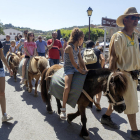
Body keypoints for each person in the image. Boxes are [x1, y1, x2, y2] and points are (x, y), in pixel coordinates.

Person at [100, 7, 140, 140]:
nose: (136, 20)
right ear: (125, 20)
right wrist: (113, 77)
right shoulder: (118, 36)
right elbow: (113, 57)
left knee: (118, 99)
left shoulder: (135, 35)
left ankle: (106, 117)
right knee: (131, 103)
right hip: (124, 75)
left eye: (137, 18)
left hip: (134, 75)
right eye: (133, 17)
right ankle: (135, 132)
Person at [60, 28, 88, 120]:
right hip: (69, 69)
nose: (83, 41)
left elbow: (81, 60)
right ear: (80, 38)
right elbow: (73, 62)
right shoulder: (69, 47)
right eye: (83, 39)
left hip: (76, 68)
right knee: (67, 87)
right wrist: (81, 70)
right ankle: (63, 109)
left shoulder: (78, 48)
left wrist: (86, 69)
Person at [81, 40, 105, 111]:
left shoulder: (82, 51)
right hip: (96, 72)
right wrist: (100, 67)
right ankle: (98, 102)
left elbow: (80, 62)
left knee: (88, 88)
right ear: (93, 45)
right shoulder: (97, 50)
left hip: (87, 73)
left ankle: (89, 101)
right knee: (99, 88)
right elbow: (103, 59)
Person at [0, 41, 13, 122]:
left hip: (0, 69)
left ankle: (4, 115)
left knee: (2, 93)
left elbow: (2, 56)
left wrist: (8, 68)